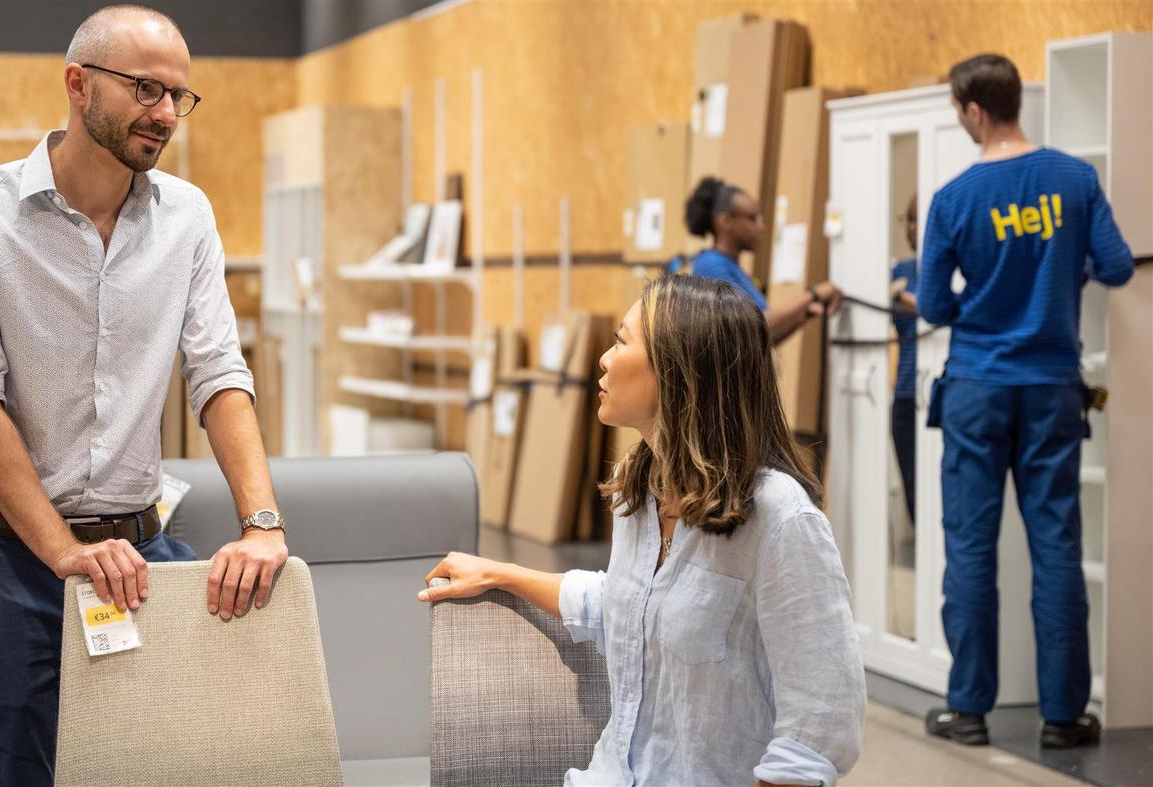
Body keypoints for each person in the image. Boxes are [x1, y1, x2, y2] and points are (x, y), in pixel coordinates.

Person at [0, 6, 289, 783]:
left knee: (151, 766)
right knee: (20, 771)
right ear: (77, 84)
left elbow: (219, 372)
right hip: (5, 560)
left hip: (137, 556)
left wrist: (262, 522)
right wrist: (66, 552)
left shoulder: (187, 216)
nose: (165, 114)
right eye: (146, 89)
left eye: (178, 97)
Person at [420, 275, 866, 786]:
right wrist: (503, 573)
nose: (604, 360)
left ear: (679, 373)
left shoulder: (780, 517)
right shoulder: (641, 491)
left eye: (621, 341)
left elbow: (818, 728)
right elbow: (631, 604)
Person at [918, 53, 1133, 749]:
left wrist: (974, 301)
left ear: (974, 110)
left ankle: (969, 709)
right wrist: (1070, 270)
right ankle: (1064, 716)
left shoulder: (953, 199)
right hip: (1051, 387)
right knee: (1057, 544)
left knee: (972, 547)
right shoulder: (1075, 180)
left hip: (978, 387)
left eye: (957, 110)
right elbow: (1119, 265)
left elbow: (929, 304)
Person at [683, 176, 846, 344]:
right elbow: (756, 327)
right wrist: (813, 295)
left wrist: (802, 315)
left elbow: (763, 339)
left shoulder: (732, 267)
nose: (761, 227)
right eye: (752, 219)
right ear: (726, 222)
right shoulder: (711, 265)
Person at [890, 195, 920, 526]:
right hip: (904, 392)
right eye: (907, 220)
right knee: (911, 482)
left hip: (934, 392)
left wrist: (900, 296)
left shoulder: (943, 269)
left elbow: (940, 307)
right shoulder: (900, 270)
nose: (911, 228)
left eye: (917, 219)